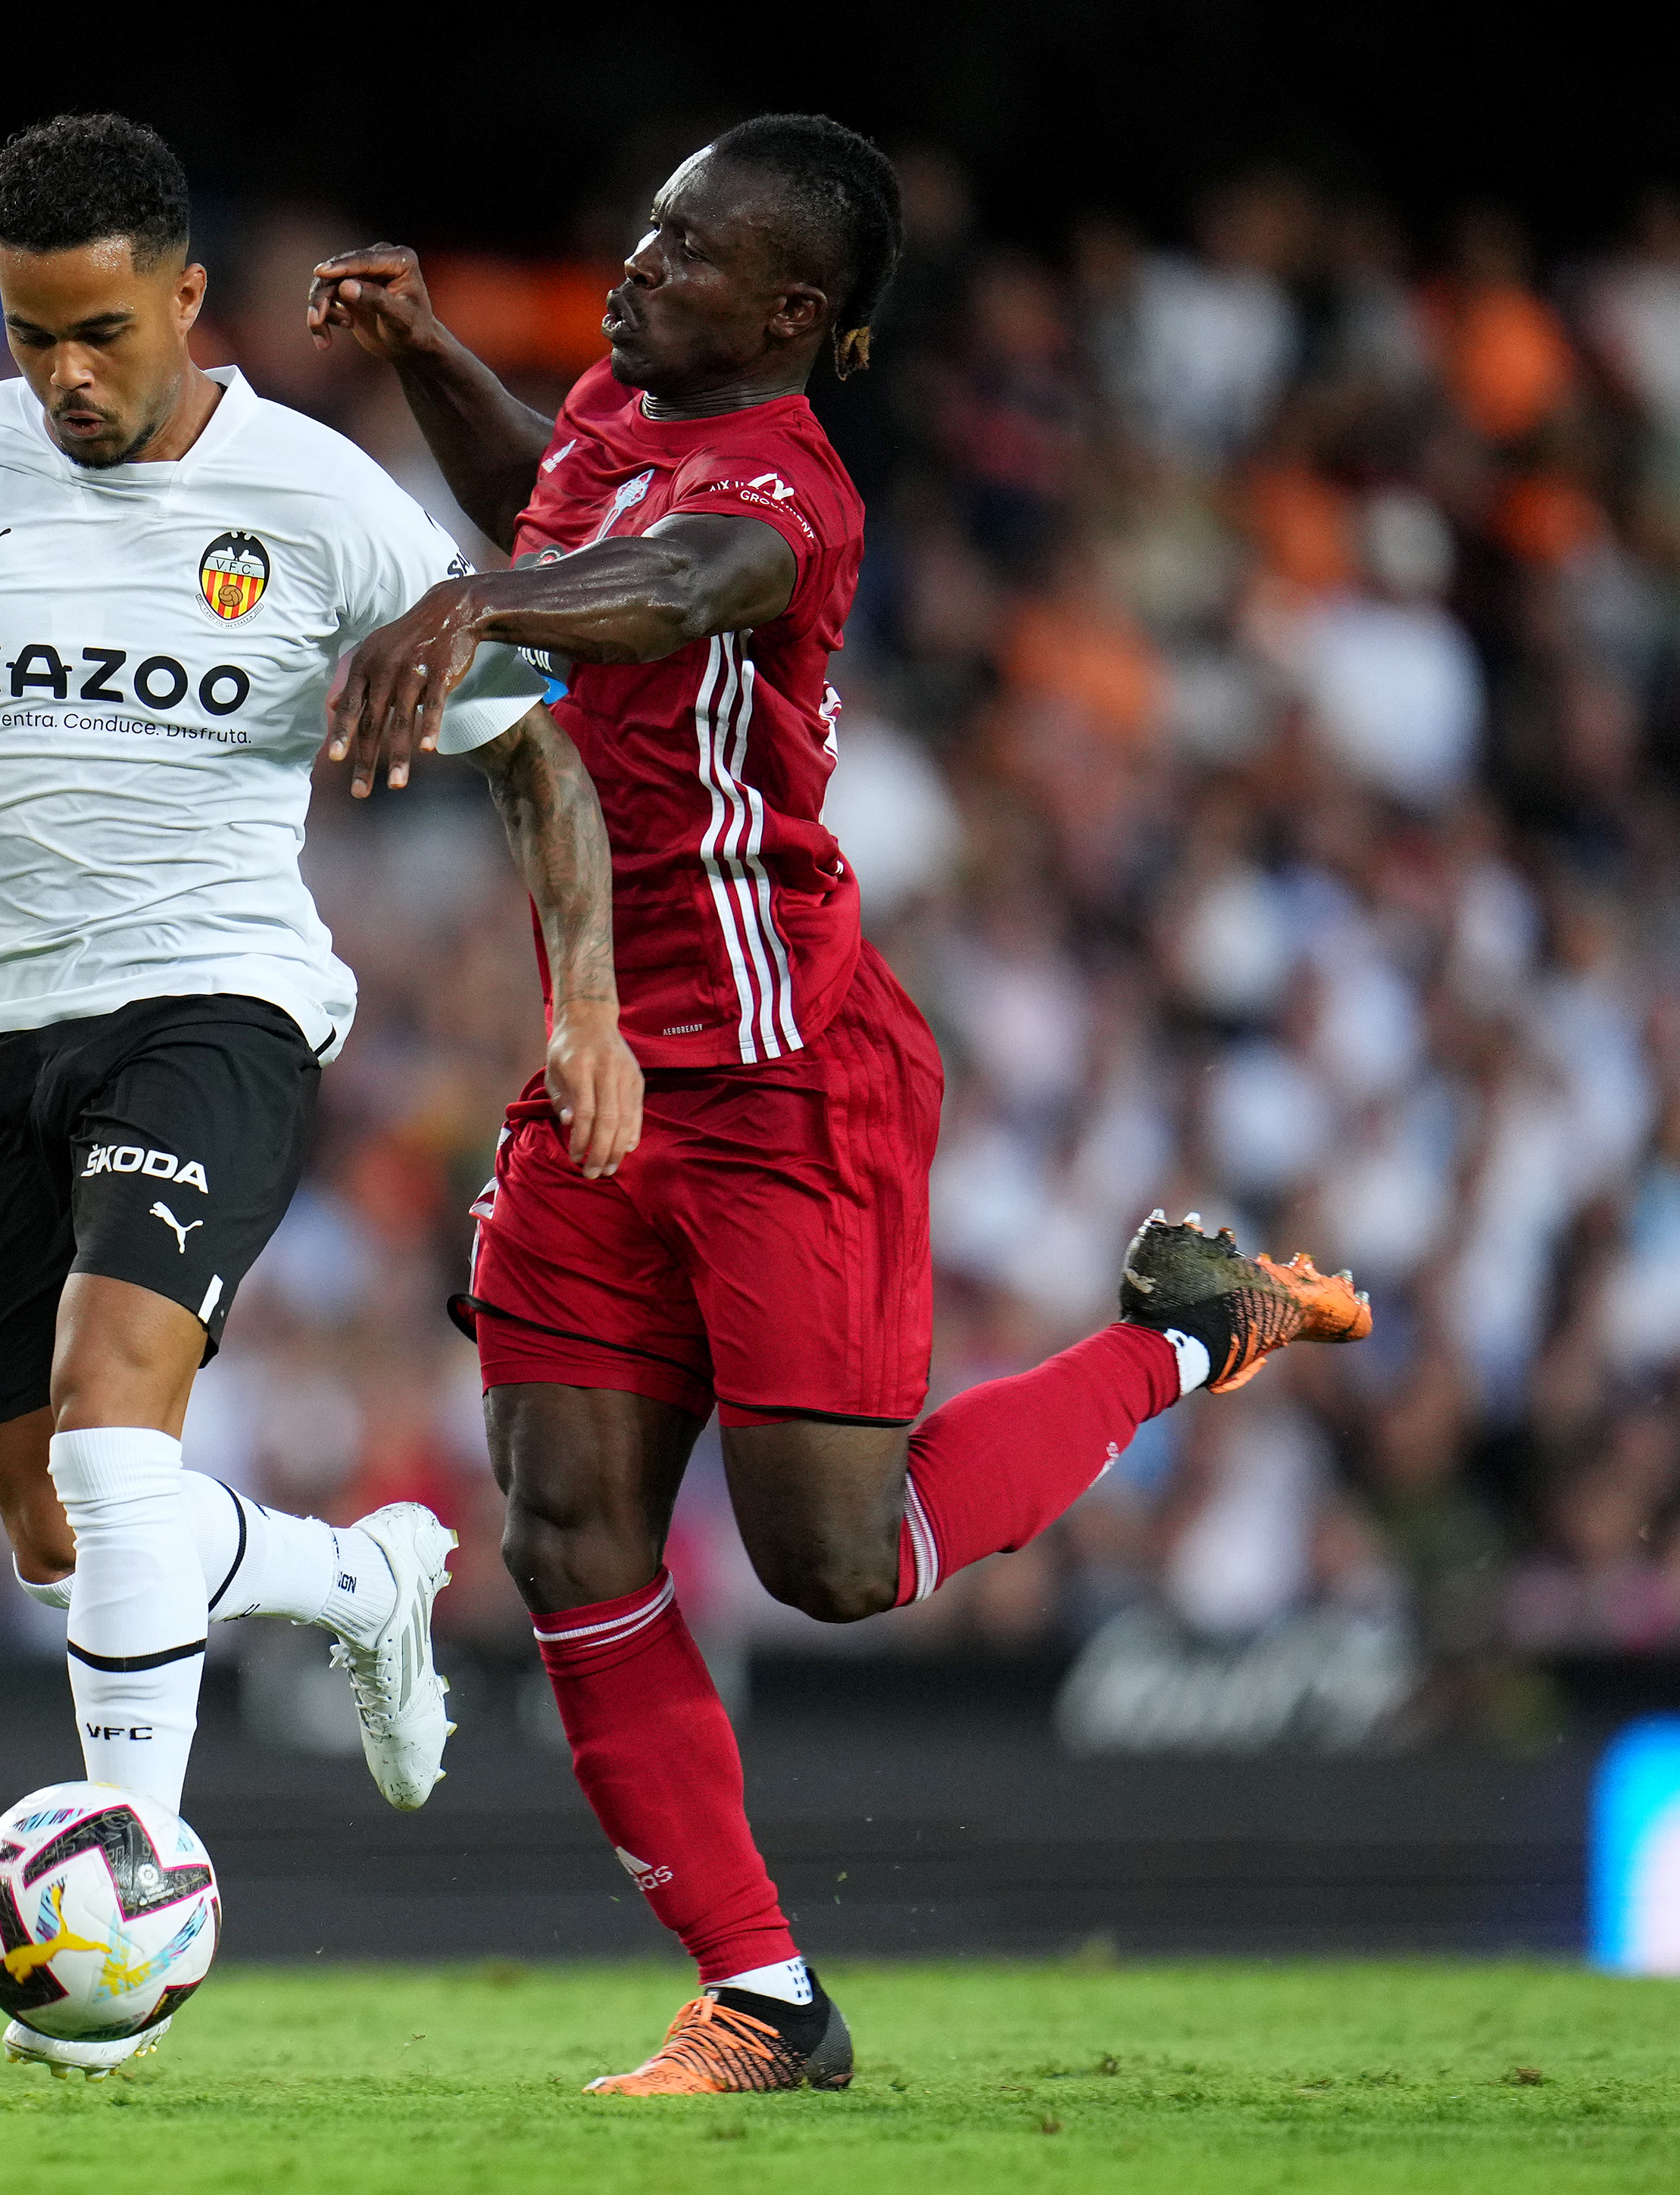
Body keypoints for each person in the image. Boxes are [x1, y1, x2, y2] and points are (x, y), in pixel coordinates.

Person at [312, 114, 1369, 2095]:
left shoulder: (786, 495)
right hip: (596, 1057)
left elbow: (656, 586)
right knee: (562, 1530)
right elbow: (556, 516)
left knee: (832, 1559)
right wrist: (424, 350)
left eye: (685, 248)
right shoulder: (623, 417)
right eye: (645, 228)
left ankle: (1179, 1336)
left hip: (785, 1075)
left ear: (792, 309)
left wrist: (475, 612)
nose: (636, 264)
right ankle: (765, 1995)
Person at [0, 113, 639, 2074]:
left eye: (102, 333)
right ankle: (361, 1572)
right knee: (63, 1535)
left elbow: (531, 747)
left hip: (212, 1007)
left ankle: (121, 1938)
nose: (65, 374)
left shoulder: (322, 502)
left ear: (185, 299)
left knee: (128, 1451)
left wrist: (589, 1006)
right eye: (33, 333)